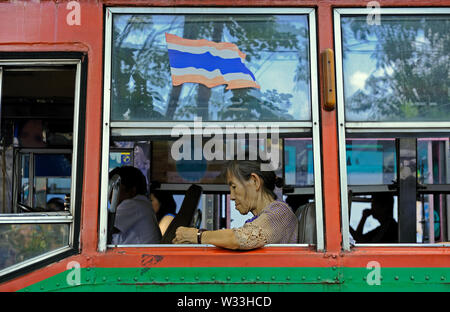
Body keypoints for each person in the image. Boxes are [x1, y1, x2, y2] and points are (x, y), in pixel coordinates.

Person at [173, 159, 298, 250]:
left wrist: (197, 236)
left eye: (234, 187)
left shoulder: (280, 212)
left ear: (255, 181)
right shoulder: (262, 217)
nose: (232, 196)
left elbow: (239, 238)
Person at [108, 166, 161, 245]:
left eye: (115, 190)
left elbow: (105, 228)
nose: (110, 196)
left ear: (132, 190)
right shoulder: (142, 204)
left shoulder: (134, 204)